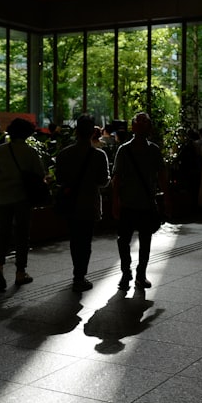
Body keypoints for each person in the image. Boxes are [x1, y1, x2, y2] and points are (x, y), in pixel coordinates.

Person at [0, 118, 46, 290]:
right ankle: (20, 272)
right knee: (22, 235)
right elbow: (40, 174)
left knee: (2, 233)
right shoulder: (30, 152)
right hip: (22, 199)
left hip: (2, 198)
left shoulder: (0, 150)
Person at [112, 112, 169, 291]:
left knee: (140, 241)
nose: (142, 127)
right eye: (140, 124)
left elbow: (161, 176)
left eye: (145, 124)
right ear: (134, 127)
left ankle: (138, 273)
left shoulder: (152, 150)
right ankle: (128, 272)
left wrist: (166, 198)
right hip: (131, 203)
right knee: (127, 241)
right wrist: (115, 201)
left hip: (142, 204)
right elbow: (117, 179)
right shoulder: (125, 150)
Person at [55, 115, 111, 292]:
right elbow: (103, 181)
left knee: (74, 240)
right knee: (85, 242)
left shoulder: (64, 154)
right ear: (93, 132)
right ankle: (80, 276)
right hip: (89, 204)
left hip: (70, 204)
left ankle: (77, 273)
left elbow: (59, 179)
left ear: (76, 132)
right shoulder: (99, 155)